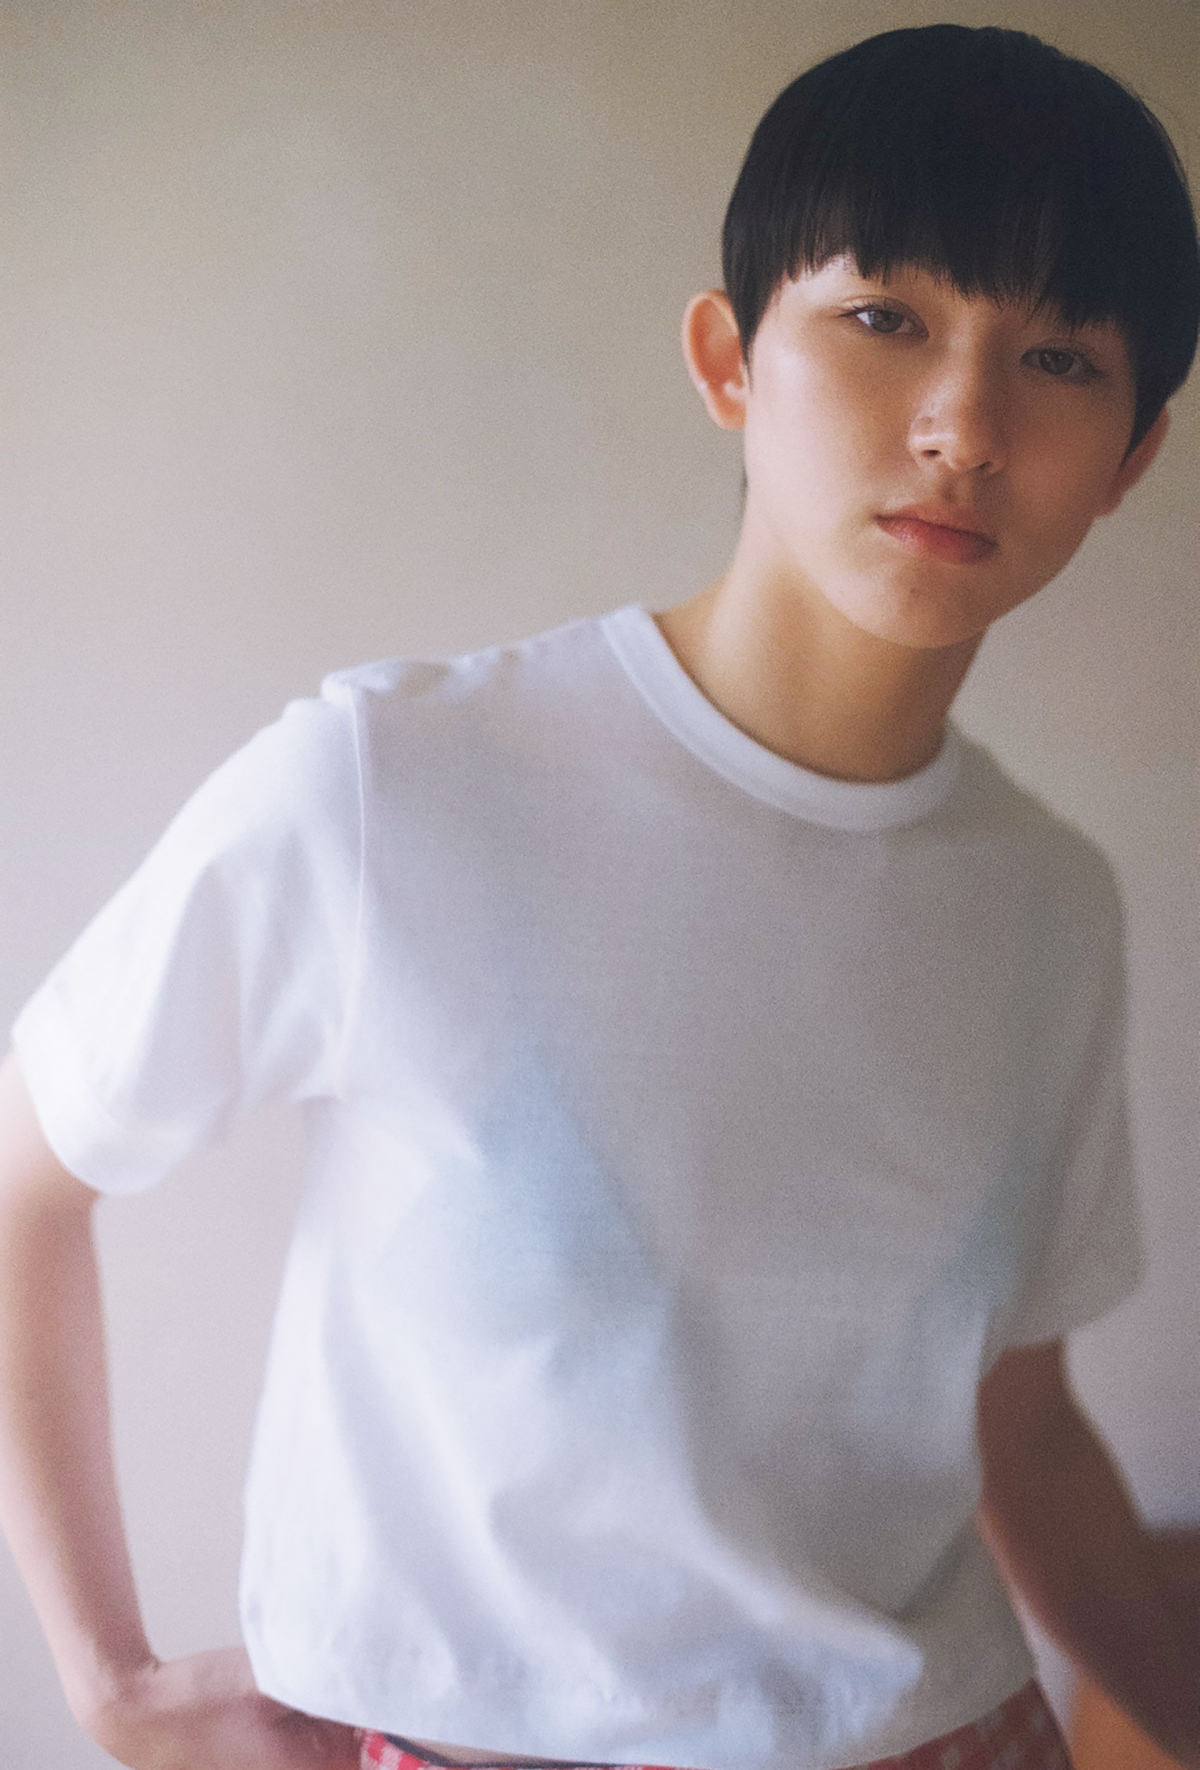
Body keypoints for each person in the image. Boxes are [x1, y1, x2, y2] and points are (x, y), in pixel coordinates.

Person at [0, 21, 1197, 1770]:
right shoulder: (390, 789)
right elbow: (28, 1176)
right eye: (886, 317)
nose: (964, 425)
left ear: (1134, 456)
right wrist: (106, 1681)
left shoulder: (1047, 910)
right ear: (729, 359)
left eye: (1060, 357)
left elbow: (1017, 1425)